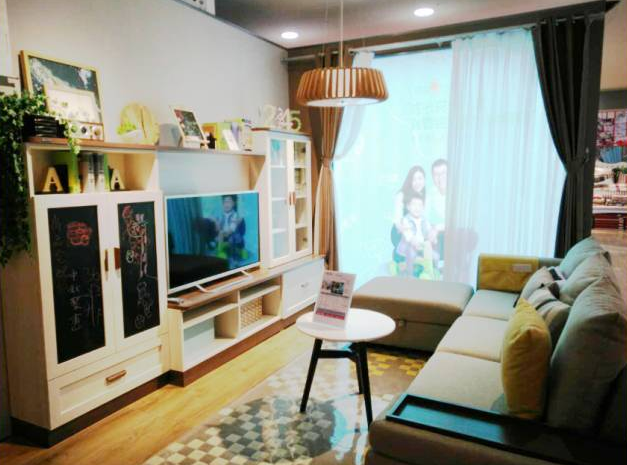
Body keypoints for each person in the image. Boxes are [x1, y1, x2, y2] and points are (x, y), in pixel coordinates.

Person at [395, 193, 434, 277]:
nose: (417, 208)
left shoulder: (424, 220)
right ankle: (410, 273)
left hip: (420, 246)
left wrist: (431, 235)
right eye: (414, 205)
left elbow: (429, 230)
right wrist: (414, 241)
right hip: (408, 246)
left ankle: (429, 271)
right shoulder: (405, 220)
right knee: (411, 253)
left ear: (423, 207)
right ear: (408, 207)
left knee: (432, 252)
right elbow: (408, 235)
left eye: (420, 205)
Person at [394, 165, 426, 233]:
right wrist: (407, 232)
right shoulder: (401, 195)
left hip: (419, 232)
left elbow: (425, 220)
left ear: (424, 180)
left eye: (420, 178)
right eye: (414, 179)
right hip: (402, 232)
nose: (417, 182)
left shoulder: (426, 196)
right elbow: (397, 221)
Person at [428, 159, 447, 270]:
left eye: (443, 173)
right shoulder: (431, 194)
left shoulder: (458, 193)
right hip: (434, 232)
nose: (440, 178)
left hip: (453, 231)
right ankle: (432, 268)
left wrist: (437, 228)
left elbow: (458, 221)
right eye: (436, 174)